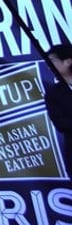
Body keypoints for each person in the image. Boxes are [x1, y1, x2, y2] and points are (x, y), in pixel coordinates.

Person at [45, 44, 72, 176]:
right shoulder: (53, 93)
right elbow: (60, 123)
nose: (48, 64)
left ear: (67, 61)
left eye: (52, 60)